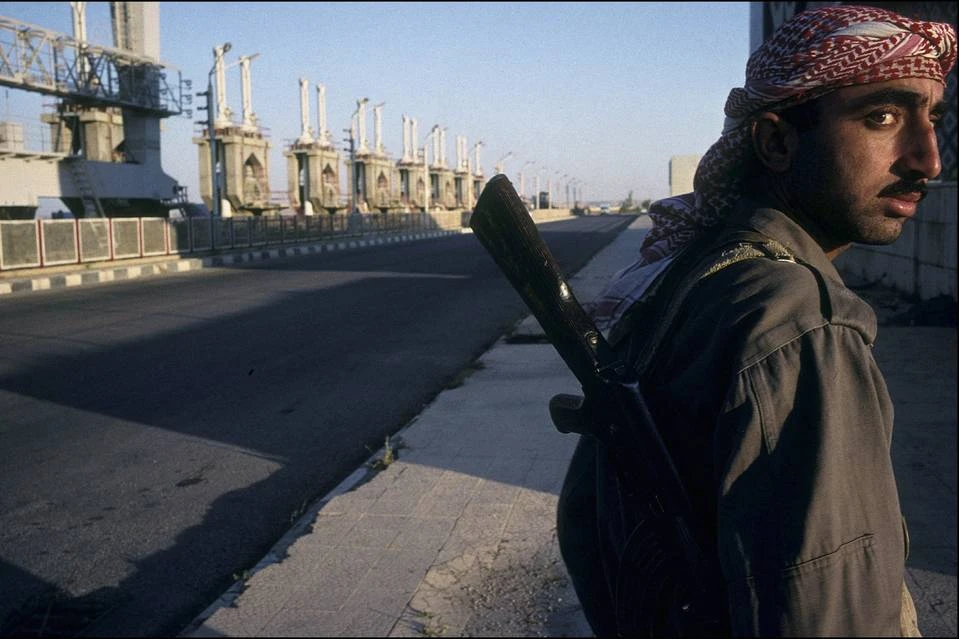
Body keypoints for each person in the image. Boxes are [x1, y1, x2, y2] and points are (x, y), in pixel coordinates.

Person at [556, 5, 955, 637]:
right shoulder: (799, 322)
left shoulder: (701, 271)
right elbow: (828, 616)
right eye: (882, 117)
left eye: (933, 120)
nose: (927, 159)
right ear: (777, 142)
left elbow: (584, 522)